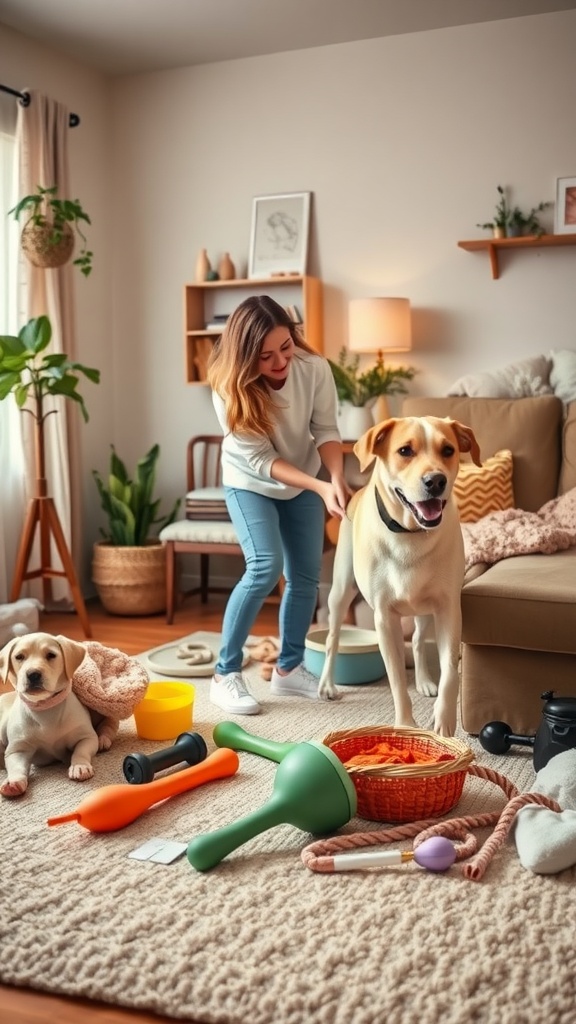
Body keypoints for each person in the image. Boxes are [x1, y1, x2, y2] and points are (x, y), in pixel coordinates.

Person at [206, 294, 351, 715]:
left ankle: (288, 670)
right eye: (265, 356)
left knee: (306, 575)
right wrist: (319, 487)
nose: (280, 362)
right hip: (249, 482)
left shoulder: (314, 368)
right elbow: (262, 460)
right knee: (264, 567)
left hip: (303, 476)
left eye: (285, 347)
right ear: (244, 356)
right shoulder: (227, 386)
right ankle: (224, 673)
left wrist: (335, 478)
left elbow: (326, 429)